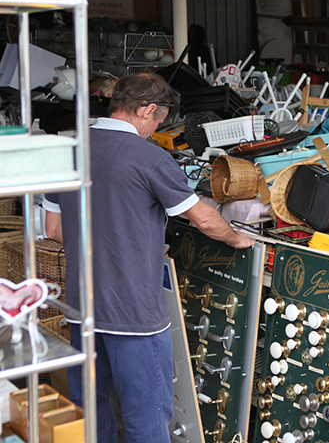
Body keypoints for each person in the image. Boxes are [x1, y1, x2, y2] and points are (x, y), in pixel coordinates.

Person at [43, 71, 252, 443]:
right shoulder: (151, 158)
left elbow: (54, 229)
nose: (156, 128)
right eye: (158, 120)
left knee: (90, 413)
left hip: (81, 309)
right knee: (147, 420)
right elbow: (203, 218)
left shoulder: (68, 151)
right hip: (133, 314)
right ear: (148, 110)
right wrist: (237, 238)